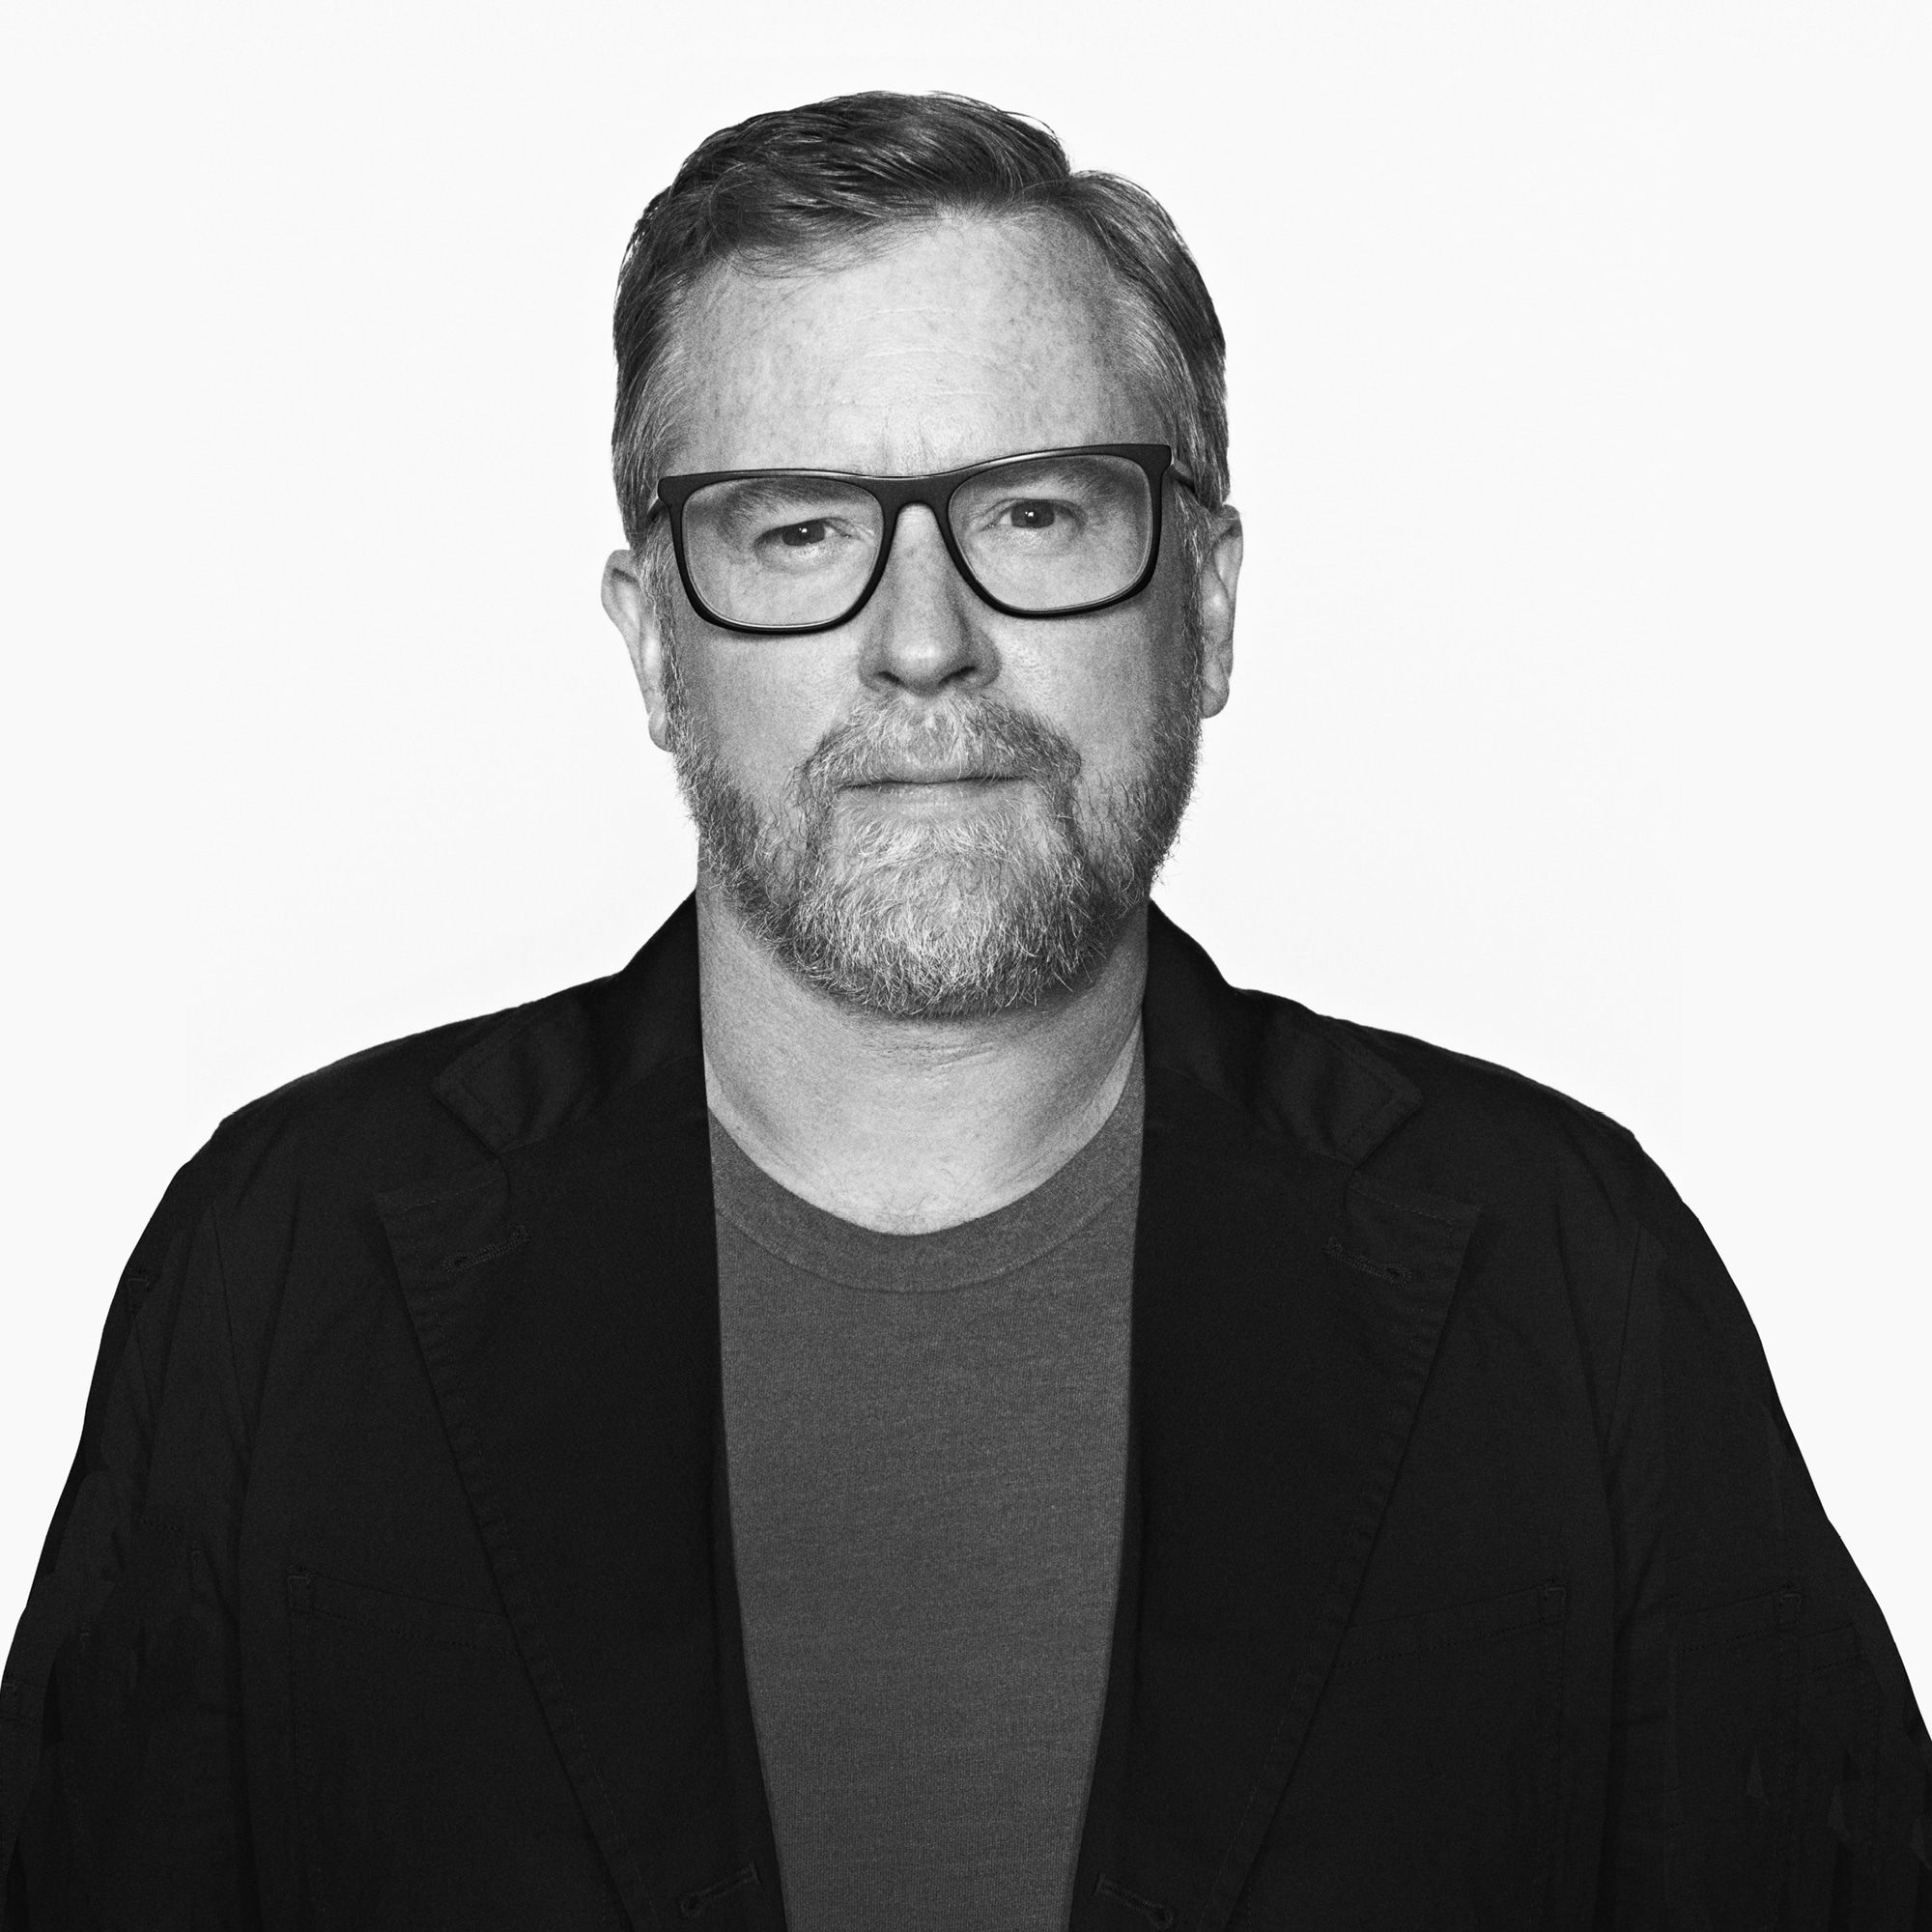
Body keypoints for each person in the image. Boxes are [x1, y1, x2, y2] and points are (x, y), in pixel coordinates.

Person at [2, 88, 1925, 1932]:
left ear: (1209, 606)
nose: (924, 643)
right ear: (653, 644)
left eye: (1037, 513)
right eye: (795, 531)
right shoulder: (286, 1268)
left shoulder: (1563, 1275)